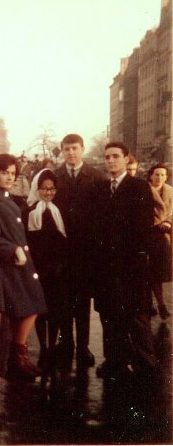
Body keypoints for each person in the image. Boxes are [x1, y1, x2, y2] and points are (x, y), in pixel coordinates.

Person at [0, 153, 47, 380]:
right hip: (10, 265)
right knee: (29, 306)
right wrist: (13, 249)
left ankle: (20, 356)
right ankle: (18, 359)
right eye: (4, 172)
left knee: (30, 307)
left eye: (12, 173)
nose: (9, 177)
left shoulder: (0, 195)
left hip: (19, 263)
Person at [94, 142, 156, 381]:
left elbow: (143, 229)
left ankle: (145, 364)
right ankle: (115, 361)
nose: (110, 161)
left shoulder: (138, 187)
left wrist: (137, 260)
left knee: (136, 316)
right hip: (106, 267)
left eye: (115, 157)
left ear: (126, 159)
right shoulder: (100, 188)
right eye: (107, 157)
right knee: (109, 316)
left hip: (130, 266)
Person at [53, 133, 106, 368]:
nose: (71, 153)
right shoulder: (53, 177)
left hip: (87, 253)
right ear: (61, 151)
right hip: (62, 252)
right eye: (66, 149)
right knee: (63, 302)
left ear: (82, 149)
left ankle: (83, 348)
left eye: (74, 148)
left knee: (83, 303)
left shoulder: (96, 177)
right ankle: (67, 345)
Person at [22, 168, 67, 371]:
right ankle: (44, 349)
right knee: (41, 311)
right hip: (38, 270)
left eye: (52, 189)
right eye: (44, 189)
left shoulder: (59, 211)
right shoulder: (28, 213)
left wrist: (60, 264)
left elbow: (65, 242)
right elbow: (26, 242)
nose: (48, 193)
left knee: (56, 311)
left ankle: (51, 345)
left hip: (57, 271)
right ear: (37, 189)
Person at [146, 163, 172, 320]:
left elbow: (172, 212)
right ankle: (158, 304)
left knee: (158, 273)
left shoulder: (171, 191)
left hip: (164, 236)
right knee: (149, 272)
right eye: (156, 174)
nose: (159, 178)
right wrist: (157, 223)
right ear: (150, 176)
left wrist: (168, 222)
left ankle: (154, 304)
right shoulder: (145, 190)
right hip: (149, 234)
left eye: (163, 175)